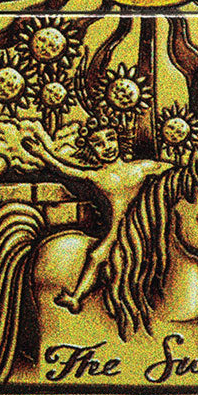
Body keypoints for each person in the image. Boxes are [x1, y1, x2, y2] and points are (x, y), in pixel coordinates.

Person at [22, 118, 171, 313]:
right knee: (96, 256)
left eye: (110, 139)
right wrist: (42, 153)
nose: (107, 146)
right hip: (117, 231)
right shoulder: (96, 176)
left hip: (145, 226)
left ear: (119, 140)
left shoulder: (142, 167)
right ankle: (76, 298)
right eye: (98, 143)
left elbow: (172, 170)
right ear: (90, 149)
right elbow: (66, 169)